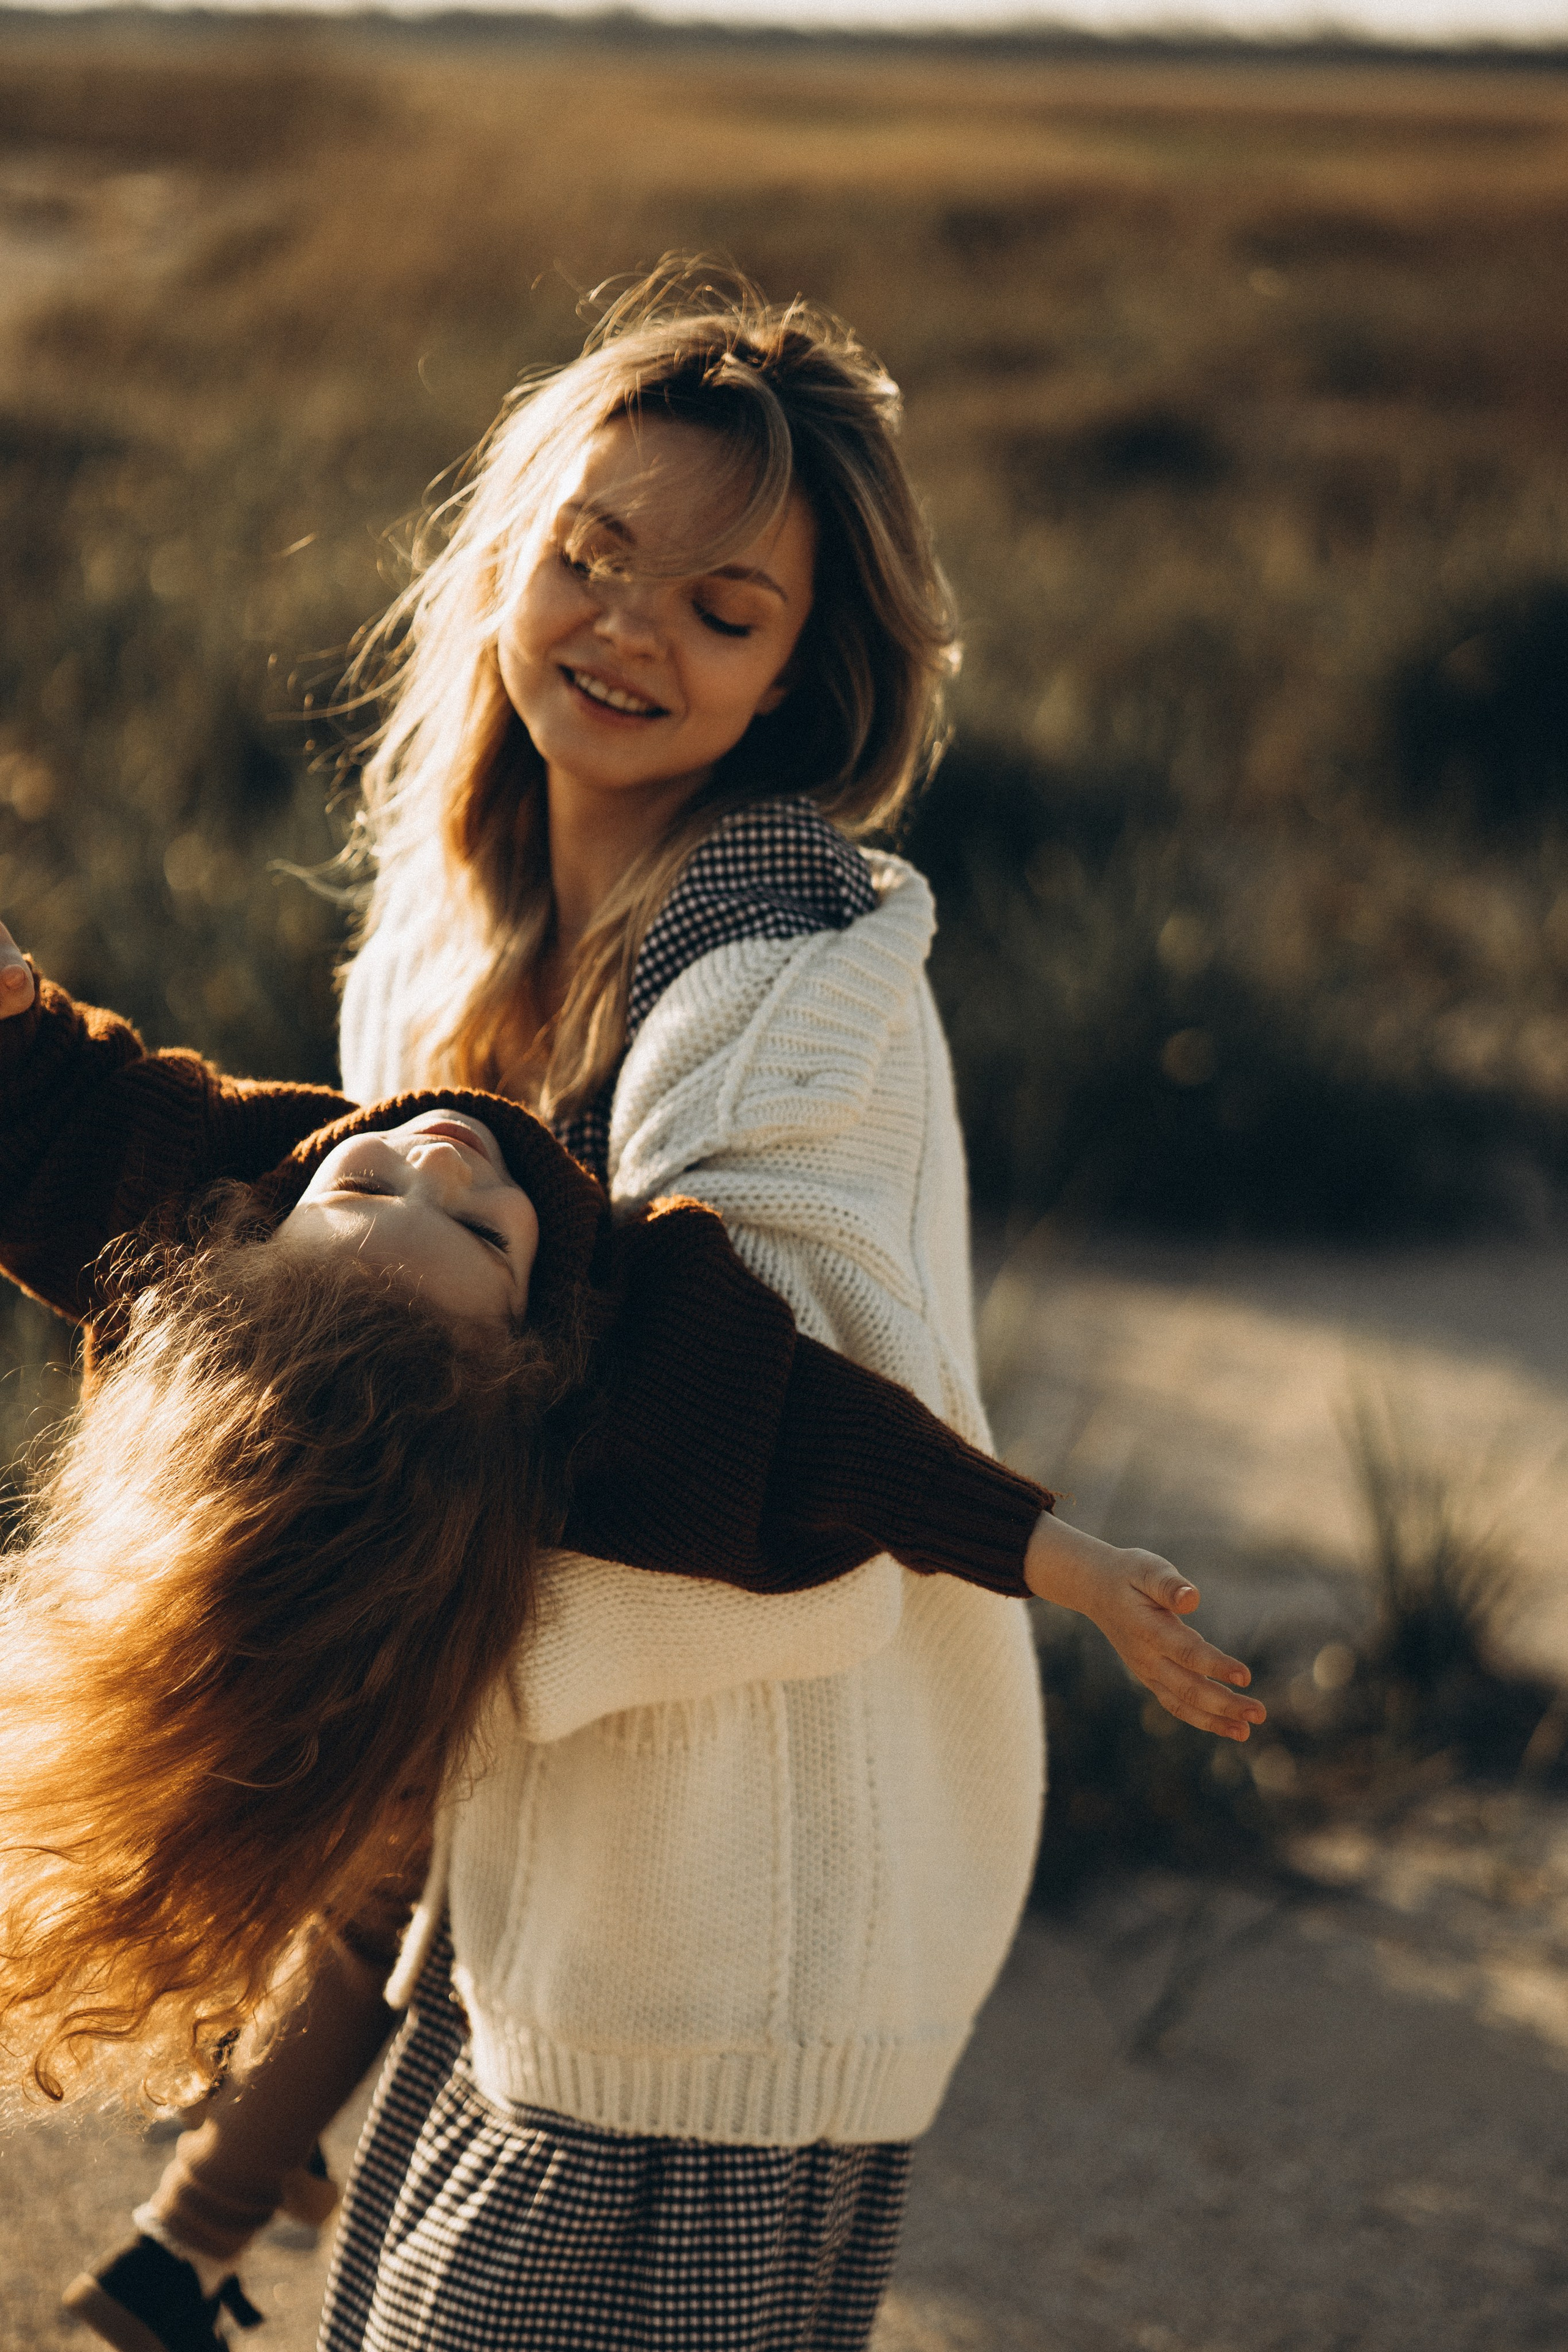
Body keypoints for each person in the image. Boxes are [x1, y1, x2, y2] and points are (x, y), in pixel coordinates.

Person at [271, 262, 1263, 2352]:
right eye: (596, 557)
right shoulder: (453, 926)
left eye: (723, 612)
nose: (631, 632)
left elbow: (787, 1491)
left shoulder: (779, 998)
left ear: (804, 676)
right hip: (542, 1882)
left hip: (729, 1918)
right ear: (512, 544)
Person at [0, 940, 1261, 2352]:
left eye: (375, 1188)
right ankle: (201, 2219)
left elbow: (44, 1106)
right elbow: (823, 1444)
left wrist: (10, 1002)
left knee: (351, 1911)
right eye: (466, 1226)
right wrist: (1068, 1564)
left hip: (367, 1675)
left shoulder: (215, 1213)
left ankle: (191, 2230)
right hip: (382, 1689)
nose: (439, 1156)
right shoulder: (612, 1355)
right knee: (358, 1919)